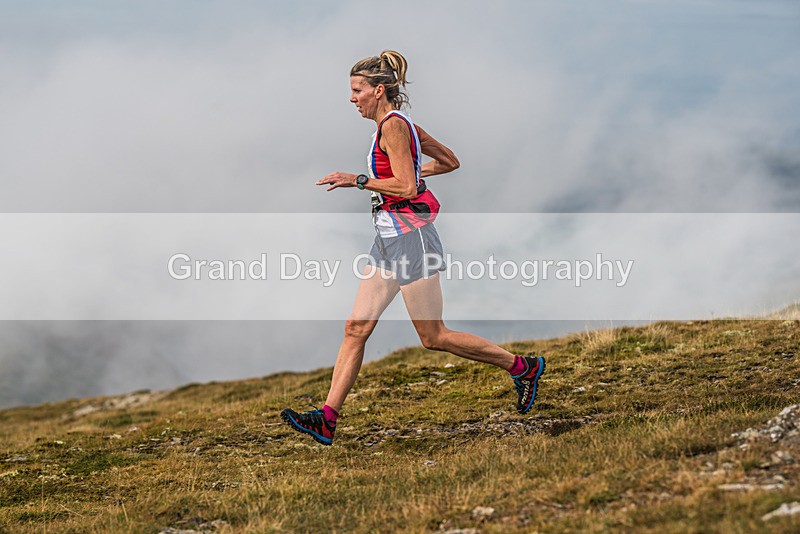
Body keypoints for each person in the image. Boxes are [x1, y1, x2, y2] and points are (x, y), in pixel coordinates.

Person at [281, 50, 545, 445]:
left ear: (379, 90)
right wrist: (411, 169)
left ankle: (523, 367)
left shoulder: (394, 127)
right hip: (389, 237)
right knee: (356, 327)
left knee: (433, 335)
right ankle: (327, 419)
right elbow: (450, 162)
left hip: (413, 238)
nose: (352, 98)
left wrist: (358, 180)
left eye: (357, 90)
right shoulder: (400, 126)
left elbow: (405, 187)